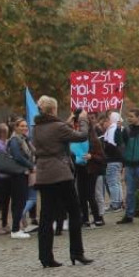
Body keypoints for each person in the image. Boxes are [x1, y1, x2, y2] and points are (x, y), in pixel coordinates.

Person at [32, 96, 92, 268]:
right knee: (74, 211)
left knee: (46, 215)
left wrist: (67, 122)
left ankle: (45, 256)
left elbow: (56, 131)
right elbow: (81, 136)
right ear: (53, 110)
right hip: (60, 172)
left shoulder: (36, 128)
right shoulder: (58, 127)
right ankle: (76, 252)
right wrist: (83, 121)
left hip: (44, 173)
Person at [76, 113, 106, 228]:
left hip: (90, 170)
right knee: (81, 195)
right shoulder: (77, 138)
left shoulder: (94, 140)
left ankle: (97, 217)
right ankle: (85, 219)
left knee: (90, 194)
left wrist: (91, 156)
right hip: (80, 169)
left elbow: (102, 157)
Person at [7, 118, 35, 238]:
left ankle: (16, 227)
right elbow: (18, 156)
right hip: (17, 174)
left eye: (26, 126)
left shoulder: (24, 140)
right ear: (16, 127)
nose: (25, 128)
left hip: (23, 173)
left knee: (20, 201)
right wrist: (30, 165)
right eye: (22, 126)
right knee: (19, 201)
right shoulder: (14, 140)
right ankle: (15, 229)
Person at [102, 111, 124, 213]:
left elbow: (111, 144)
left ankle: (115, 203)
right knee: (116, 181)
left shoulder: (112, 129)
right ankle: (118, 202)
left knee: (112, 181)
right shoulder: (119, 129)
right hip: (118, 159)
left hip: (112, 159)